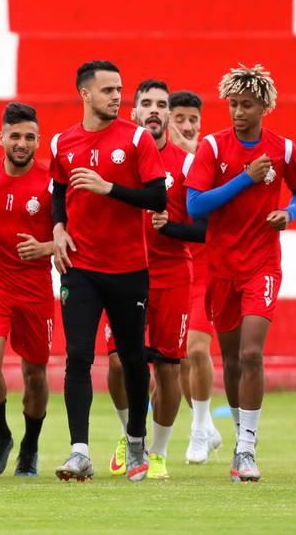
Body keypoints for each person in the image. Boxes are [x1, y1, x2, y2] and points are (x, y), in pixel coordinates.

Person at [186, 64, 296, 482]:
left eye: (246, 105)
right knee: (233, 361)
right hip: (221, 267)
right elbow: (196, 207)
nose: (238, 112)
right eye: (233, 104)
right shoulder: (212, 148)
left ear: (264, 107)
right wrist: (245, 178)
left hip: (262, 264)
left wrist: (288, 212)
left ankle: (247, 447)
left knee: (252, 353)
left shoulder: (283, 149)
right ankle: (241, 439)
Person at [50, 61, 166, 482]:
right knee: (78, 356)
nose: (117, 97)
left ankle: (136, 441)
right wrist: (58, 227)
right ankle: (79, 451)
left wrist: (109, 188)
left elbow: (157, 197)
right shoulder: (62, 142)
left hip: (128, 268)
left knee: (134, 359)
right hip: (79, 266)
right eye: (108, 90)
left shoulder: (136, 138)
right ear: (85, 94)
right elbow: (59, 191)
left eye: (119, 89)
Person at [105, 80, 207, 479]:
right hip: (121, 272)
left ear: (169, 115)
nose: (153, 110)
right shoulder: (117, 158)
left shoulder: (185, 164)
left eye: (160, 105)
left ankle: (158, 452)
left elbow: (207, 228)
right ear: (132, 111)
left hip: (171, 276)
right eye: (145, 103)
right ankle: (132, 438)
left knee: (167, 368)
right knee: (116, 364)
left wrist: (173, 227)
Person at [0, 103, 53, 478]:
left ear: (38, 140)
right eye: (14, 136)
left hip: (35, 288)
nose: (21, 143)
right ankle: (1, 435)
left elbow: (76, 235)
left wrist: (45, 248)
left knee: (35, 373)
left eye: (29, 137)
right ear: (1, 137)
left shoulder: (53, 181)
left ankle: (30, 446)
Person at [168, 90, 223, 464]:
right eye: (181, 120)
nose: (188, 127)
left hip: (206, 270)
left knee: (197, 350)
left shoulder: (211, 162)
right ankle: (205, 425)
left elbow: (209, 226)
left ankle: (198, 431)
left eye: (194, 121)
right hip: (171, 272)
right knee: (179, 361)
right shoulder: (154, 161)